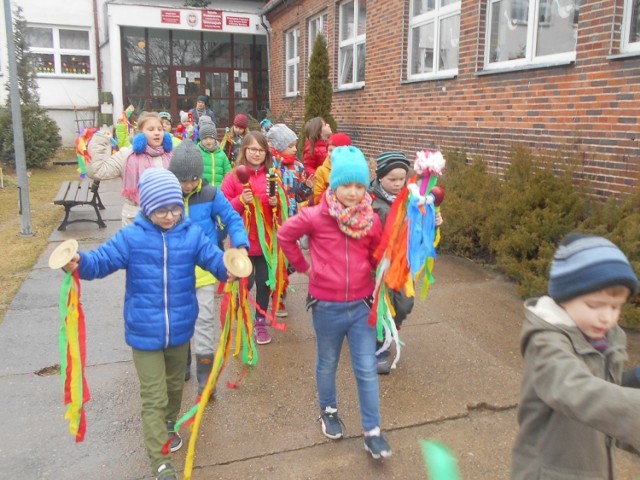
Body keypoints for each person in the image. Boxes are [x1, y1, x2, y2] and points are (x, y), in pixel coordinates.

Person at [61, 168, 231, 480]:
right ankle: (160, 463)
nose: (170, 215)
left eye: (175, 208)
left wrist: (229, 267)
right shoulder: (131, 238)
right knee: (154, 396)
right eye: (161, 210)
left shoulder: (191, 234)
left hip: (180, 331)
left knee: (173, 390)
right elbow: (100, 262)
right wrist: (79, 263)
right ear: (147, 208)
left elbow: (213, 259)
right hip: (144, 334)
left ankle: (168, 424)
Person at [277, 146, 392, 460]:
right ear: (333, 185)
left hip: (361, 307)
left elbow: (375, 256)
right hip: (326, 306)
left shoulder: (370, 219)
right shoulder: (316, 216)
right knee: (327, 362)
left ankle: (372, 431)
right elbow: (285, 235)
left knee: (366, 368)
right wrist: (304, 268)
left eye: (359, 186)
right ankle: (328, 410)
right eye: (346, 185)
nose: (353, 193)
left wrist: (390, 259)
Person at [511, 233, 640, 479]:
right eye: (595, 305)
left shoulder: (607, 338)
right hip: (548, 471)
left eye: (615, 307)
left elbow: (603, 393)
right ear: (565, 299)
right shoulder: (545, 342)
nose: (607, 317)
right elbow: (573, 389)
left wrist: (633, 380)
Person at [168, 140, 249, 396]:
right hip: (174, 273)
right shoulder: (166, 196)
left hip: (204, 271)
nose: (188, 185)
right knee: (179, 321)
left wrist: (241, 244)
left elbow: (233, 219)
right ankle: (183, 361)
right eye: (182, 180)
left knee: (204, 321)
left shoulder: (211, 194)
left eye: (193, 179)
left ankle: (205, 377)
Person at [221, 132, 282, 345]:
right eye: (252, 149)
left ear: (266, 152)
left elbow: (283, 212)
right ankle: (242, 317)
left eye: (260, 150)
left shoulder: (273, 176)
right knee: (242, 284)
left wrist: (276, 203)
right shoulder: (233, 177)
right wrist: (239, 200)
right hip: (242, 243)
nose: (256, 153)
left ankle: (260, 321)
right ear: (244, 150)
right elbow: (222, 209)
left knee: (265, 283)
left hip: (266, 243)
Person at [121, 112, 174, 226]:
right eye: (151, 129)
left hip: (164, 216)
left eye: (160, 129)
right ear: (140, 134)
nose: (157, 133)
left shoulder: (170, 156)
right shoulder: (131, 158)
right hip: (138, 215)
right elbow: (98, 170)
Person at [266, 123, 314, 217]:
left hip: (292, 215)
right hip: (274, 214)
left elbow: (299, 198)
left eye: (295, 146)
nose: (295, 149)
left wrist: (306, 186)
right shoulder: (270, 165)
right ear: (279, 146)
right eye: (290, 146)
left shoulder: (298, 166)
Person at [312, 132, 352, 206]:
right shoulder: (322, 171)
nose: (333, 154)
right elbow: (316, 197)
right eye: (330, 150)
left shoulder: (353, 171)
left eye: (337, 151)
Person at [196, 116, 231, 187]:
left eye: (211, 138)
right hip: (201, 192)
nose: (208, 141)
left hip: (218, 193)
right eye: (205, 138)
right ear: (201, 139)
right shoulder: (196, 153)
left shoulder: (221, 154)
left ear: (215, 138)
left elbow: (229, 175)